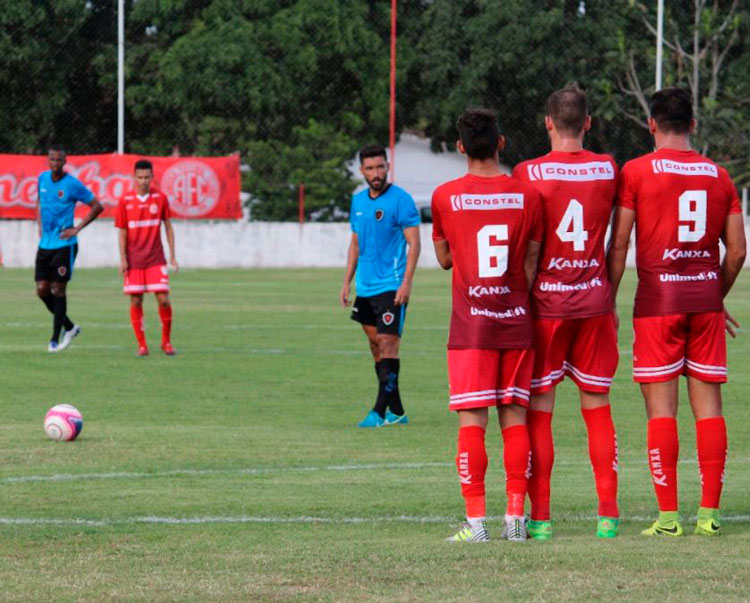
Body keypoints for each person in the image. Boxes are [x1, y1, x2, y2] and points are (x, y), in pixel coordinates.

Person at [608, 87, 746, 537]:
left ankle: (668, 518)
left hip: (656, 304)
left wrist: (607, 301)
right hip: (704, 302)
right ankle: (709, 515)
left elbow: (621, 243)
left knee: (661, 411)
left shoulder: (636, 171)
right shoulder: (720, 177)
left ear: (651, 124)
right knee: (709, 409)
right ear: (694, 125)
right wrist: (714, 295)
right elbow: (738, 253)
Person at [512, 85, 620, 540]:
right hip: (595, 302)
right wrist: (611, 297)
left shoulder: (526, 172)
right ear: (589, 122)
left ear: (548, 122)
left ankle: (540, 519)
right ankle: (608, 517)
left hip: (546, 307)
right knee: (597, 406)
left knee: (541, 408)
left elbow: (524, 248)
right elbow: (618, 240)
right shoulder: (609, 168)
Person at [432, 108, 542, 542]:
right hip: (516, 322)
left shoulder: (445, 196)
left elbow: (444, 260)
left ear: (460, 147)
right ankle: (516, 520)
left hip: (470, 328)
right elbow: (531, 264)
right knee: (515, 419)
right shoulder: (528, 196)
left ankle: (475, 523)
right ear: (502, 142)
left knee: (472, 422)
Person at [340, 145, 421, 427]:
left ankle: (378, 411)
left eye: (380, 167)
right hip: (366, 286)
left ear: (387, 167)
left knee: (388, 344)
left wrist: (406, 283)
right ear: (362, 171)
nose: (376, 173)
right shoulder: (358, 202)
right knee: (376, 346)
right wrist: (347, 282)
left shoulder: (401, 200)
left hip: (392, 285)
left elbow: (414, 244)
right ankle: (397, 411)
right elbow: (355, 244)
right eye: (370, 168)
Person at [35, 144, 103, 352]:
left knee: (58, 289)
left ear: (65, 162)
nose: (55, 164)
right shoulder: (42, 179)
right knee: (42, 290)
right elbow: (39, 202)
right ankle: (70, 327)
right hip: (45, 244)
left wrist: (77, 228)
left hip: (65, 244)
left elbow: (97, 206)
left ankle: (55, 339)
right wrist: (39, 226)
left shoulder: (72, 184)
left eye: (59, 160)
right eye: (52, 160)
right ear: (48, 160)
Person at [116, 159, 178, 356]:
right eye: (140, 177)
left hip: (155, 259)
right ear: (134, 177)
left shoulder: (160, 198)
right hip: (134, 260)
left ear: (152, 177)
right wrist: (123, 259)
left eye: (147, 177)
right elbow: (122, 232)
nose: (143, 181)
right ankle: (142, 345)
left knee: (163, 299)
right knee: (136, 301)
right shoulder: (125, 200)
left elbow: (168, 226)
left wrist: (172, 256)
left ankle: (166, 342)